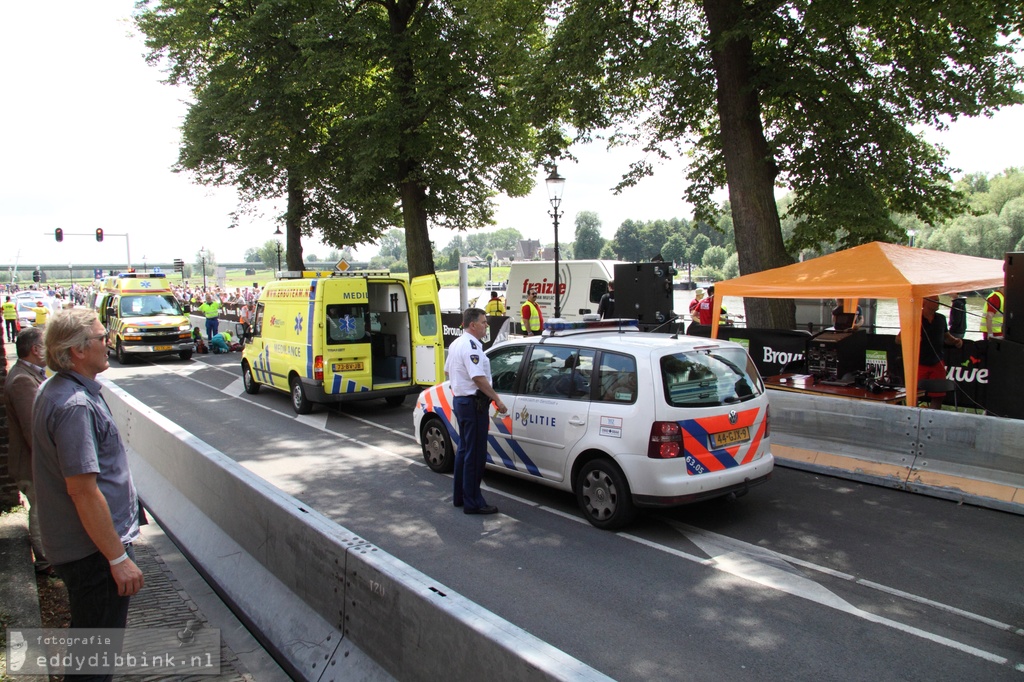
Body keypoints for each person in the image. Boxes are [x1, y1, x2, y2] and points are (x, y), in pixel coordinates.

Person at [32, 309, 144, 675]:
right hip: (93, 555)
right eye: (100, 337)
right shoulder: (74, 406)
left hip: (83, 550)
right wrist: (117, 559)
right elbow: (82, 490)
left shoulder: (55, 391)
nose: (108, 341)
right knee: (94, 663)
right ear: (78, 350)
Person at [445, 308, 507, 515]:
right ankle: (473, 502)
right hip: (473, 404)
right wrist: (496, 398)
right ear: (473, 325)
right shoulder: (471, 346)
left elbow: (448, 370)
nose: (486, 325)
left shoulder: (456, 344)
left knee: (464, 450)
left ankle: (461, 497)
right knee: (476, 454)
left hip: (462, 401)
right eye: (484, 322)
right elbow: (478, 378)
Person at [3, 327, 51, 574]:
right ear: (35, 349)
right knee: (41, 510)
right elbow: (32, 429)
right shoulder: (23, 379)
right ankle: (45, 561)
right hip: (31, 464)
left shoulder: (29, 374)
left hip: (33, 463)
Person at [897, 297, 963, 409]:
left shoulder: (941, 319)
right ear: (924, 302)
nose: (938, 303)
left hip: (937, 362)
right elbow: (898, 340)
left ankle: (933, 416)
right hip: (918, 362)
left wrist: (956, 341)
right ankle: (912, 415)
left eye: (938, 300)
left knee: (939, 395)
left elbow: (946, 336)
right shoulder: (915, 318)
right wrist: (911, 338)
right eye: (935, 300)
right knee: (914, 394)